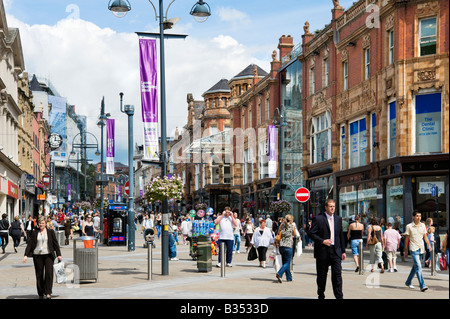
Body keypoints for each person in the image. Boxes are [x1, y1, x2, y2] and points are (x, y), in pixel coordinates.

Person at [308, 199, 346, 299]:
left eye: (333, 206)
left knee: (337, 275)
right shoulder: (318, 219)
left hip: (336, 251)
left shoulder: (338, 219)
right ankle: (321, 294)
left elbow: (340, 235)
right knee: (322, 276)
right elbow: (311, 234)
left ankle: (339, 297)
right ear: (326, 207)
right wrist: (322, 241)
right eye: (330, 206)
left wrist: (343, 251)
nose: (332, 208)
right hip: (323, 251)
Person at [23, 216, 62, 299]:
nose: (41, 224)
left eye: (43, 223)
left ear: (45, 224)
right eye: (40, 223)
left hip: (48, 255)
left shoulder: (50, 232)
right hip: (37, 256)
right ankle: (40, 293)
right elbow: (30, 244)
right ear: (38, 223)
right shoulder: (35, 232)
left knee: (49, 274)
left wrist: (59, 254)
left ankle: (48, 292)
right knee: (39, 275)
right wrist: (25, 255)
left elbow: (55, 244)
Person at [404, 210, 432, 292]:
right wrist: (405, 251)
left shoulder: (423, 225)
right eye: (417, 216)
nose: (419, 217)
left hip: (421, 248)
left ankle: (408, 281)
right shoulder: (409, 226)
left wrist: (429, 245)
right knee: (419, 266)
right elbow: (406, 239)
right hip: (413, 248)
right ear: (413, 217)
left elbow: (425, 237)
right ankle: (422, 285)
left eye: (420, 216)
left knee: (416, 266)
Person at [275, 214, 295, 283]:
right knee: (287, 262)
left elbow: (278, 233)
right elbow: (294, 234)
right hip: (288, 246)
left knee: (285, 262)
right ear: (291, 220)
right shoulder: (292, 226)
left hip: (281, 246)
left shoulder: (281, 225)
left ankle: (289, 278)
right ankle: (279, 273)